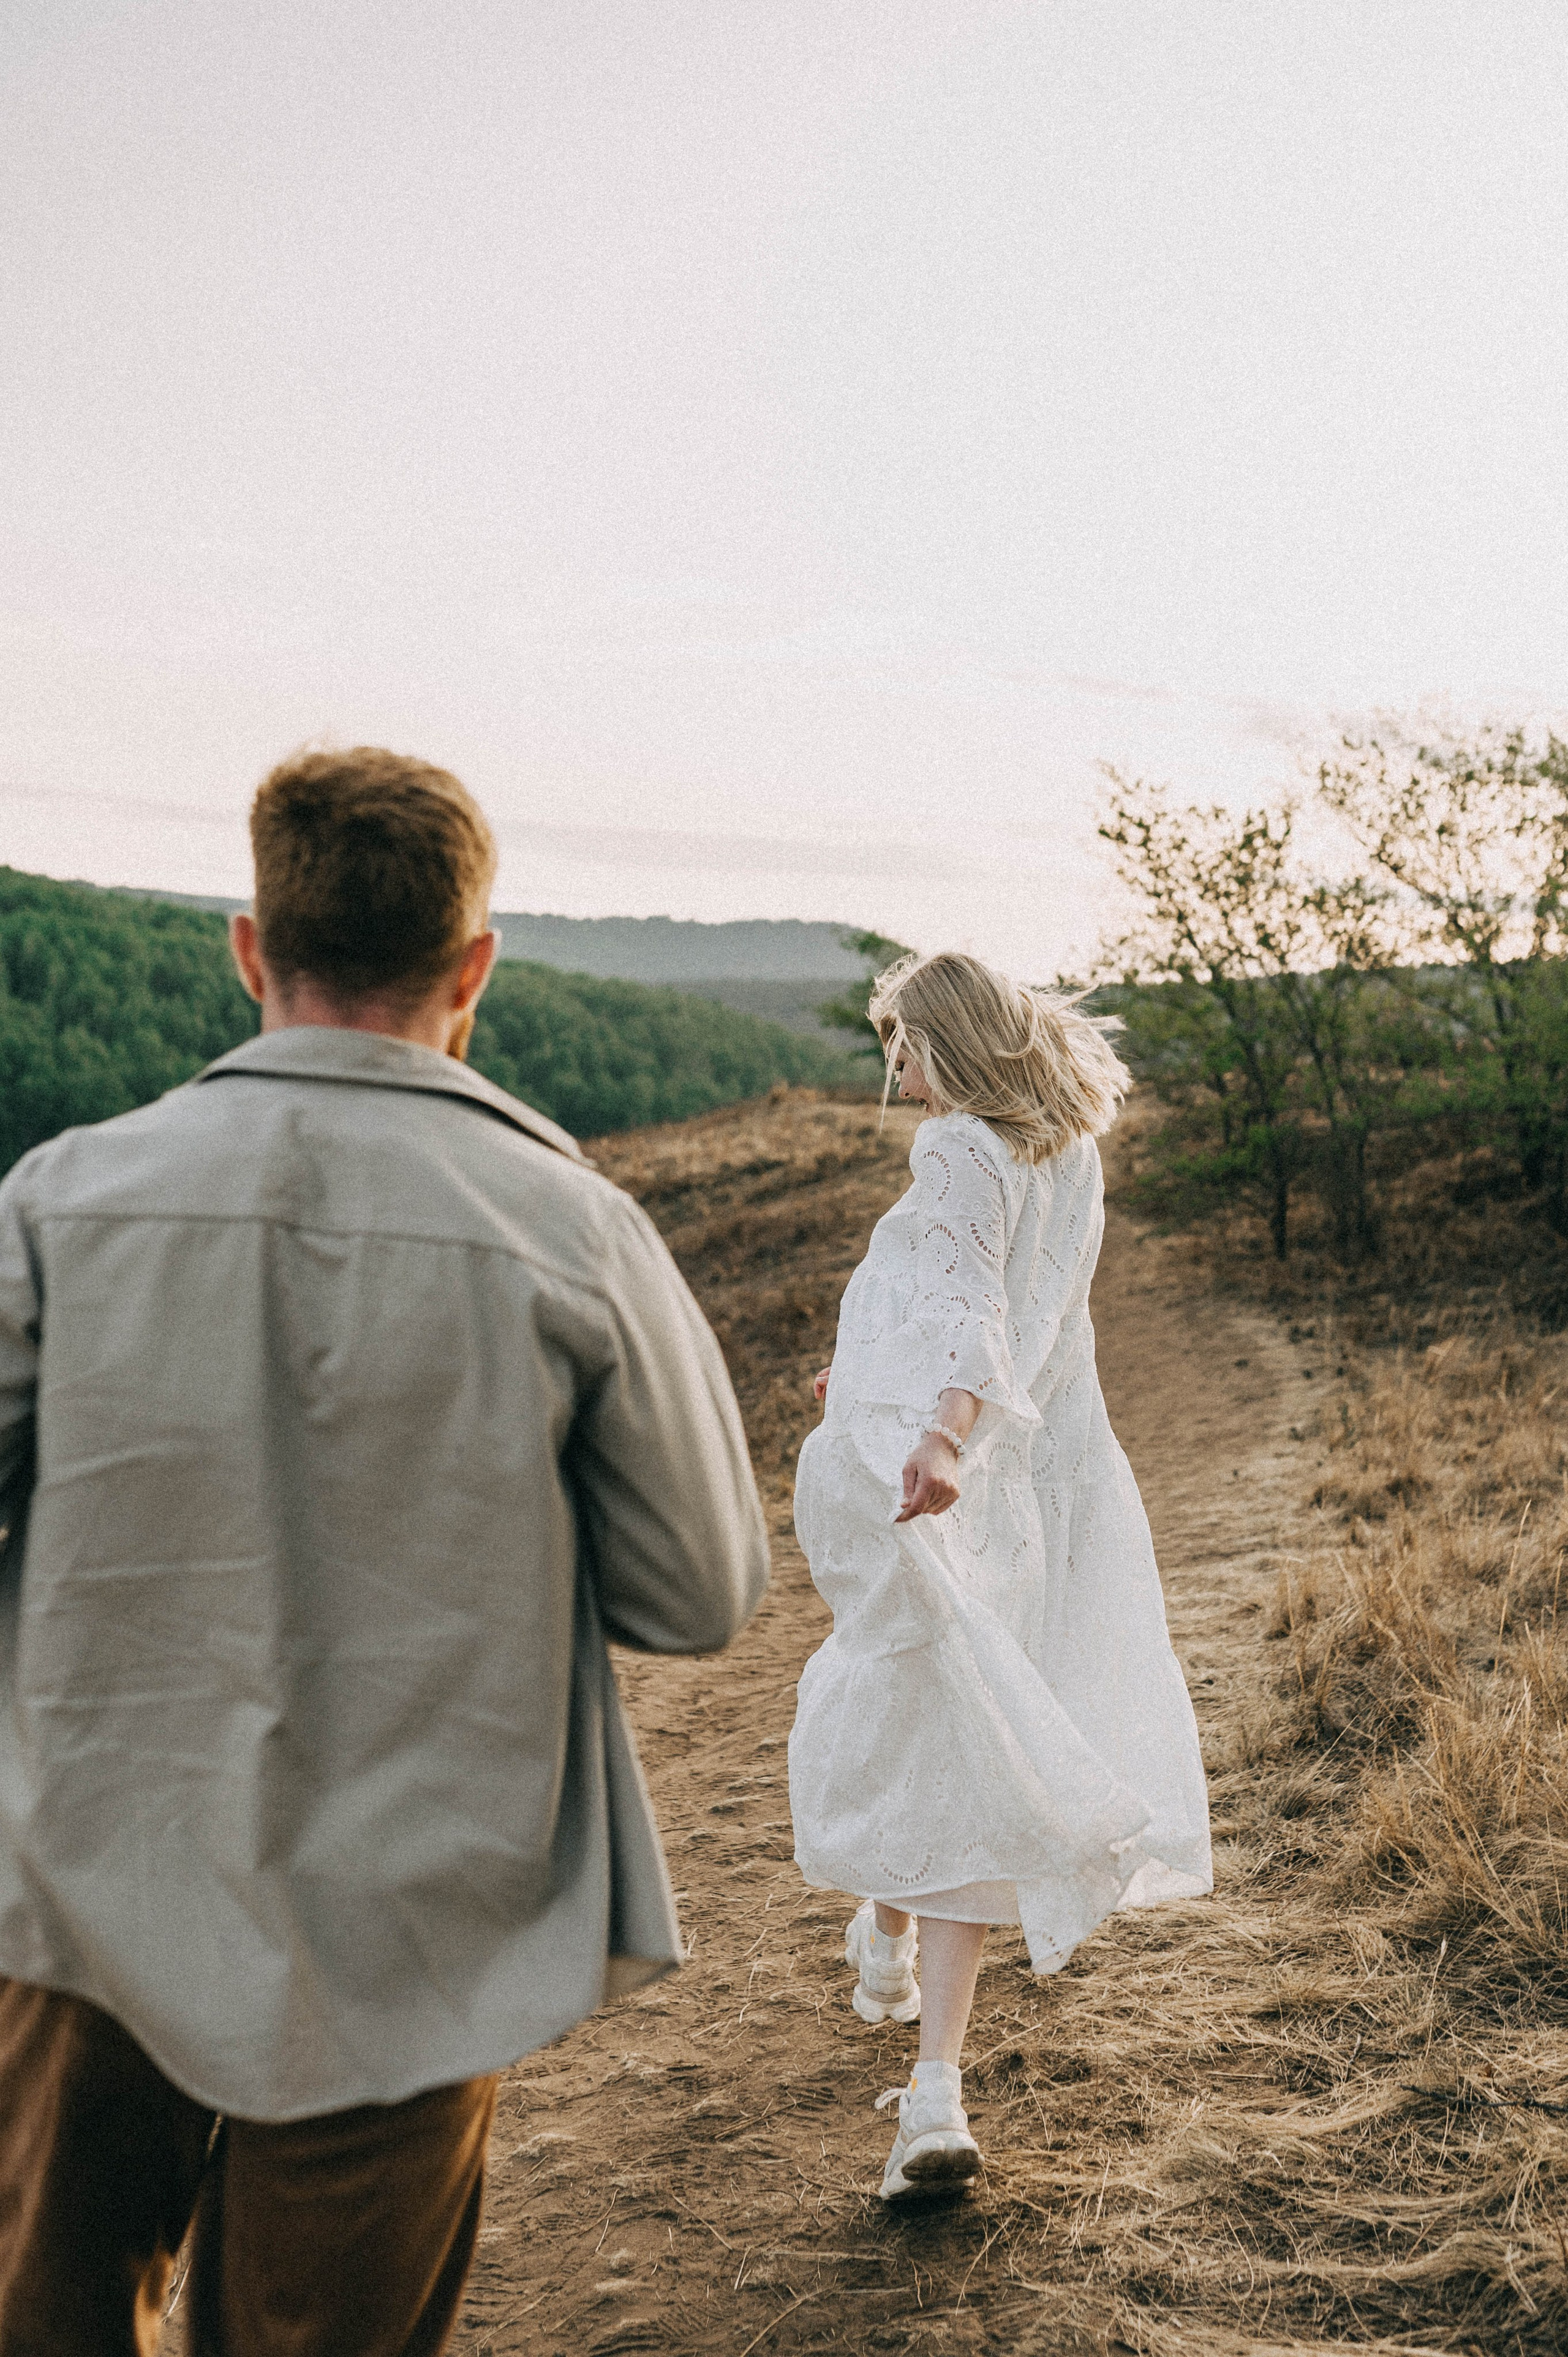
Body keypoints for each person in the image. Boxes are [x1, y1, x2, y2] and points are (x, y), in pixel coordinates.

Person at [0, 748, 768, 2355]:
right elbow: (699, 1594)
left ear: (247, 944)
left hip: (85, 1883)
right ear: (473, 966)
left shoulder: (62, 1200)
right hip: (416, 1930)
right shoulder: (576, 1231)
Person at [788, 950, 1211, 2200]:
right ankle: (899, 1977)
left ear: (952, 1043)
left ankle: (929, 2085)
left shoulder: (961, 1146)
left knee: (931, 1722)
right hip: (1037, 1489)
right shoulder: (1069, 1153)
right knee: (971, 1729)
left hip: (957, 1481)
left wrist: (934, 1431)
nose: (896, 1071)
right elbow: (1000, 1320)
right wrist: (881, 1383)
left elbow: (974, 1306)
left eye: (904, 1046)